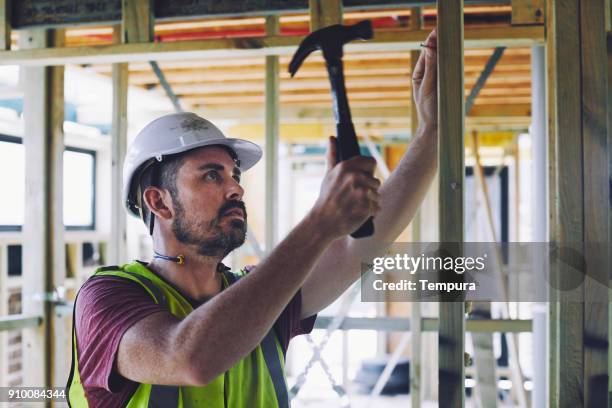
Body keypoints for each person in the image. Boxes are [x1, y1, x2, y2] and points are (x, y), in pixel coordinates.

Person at [66, 30, 438, 407]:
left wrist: (431, 133)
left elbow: (360, 246)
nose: (235, 189)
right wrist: (319, 223)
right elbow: (187, 359)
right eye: (212, 175)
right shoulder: (108, 297)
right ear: (159, 202)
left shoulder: (260, 297)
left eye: (235, 175)